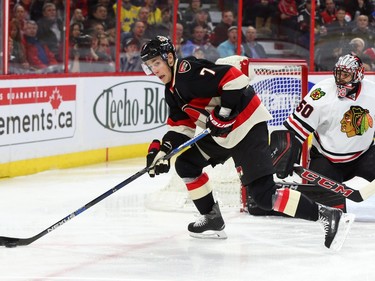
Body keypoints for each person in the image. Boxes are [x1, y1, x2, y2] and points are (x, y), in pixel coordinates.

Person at [139, 35, 354, 250]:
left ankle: (326, 214)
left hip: (246, 126)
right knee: (185, 163)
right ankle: (212, 218)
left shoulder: (187, 71)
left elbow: (235, 79)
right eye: (150, 66)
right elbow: (181, 127)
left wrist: (223, 114)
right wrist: (163, 151)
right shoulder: (172, 90)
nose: (155, 70)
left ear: (169, 57)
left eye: (156, 63)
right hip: (223, 134)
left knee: (263, 196)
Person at [283, 54, 375, 212]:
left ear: (358, 74)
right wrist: (286, 156)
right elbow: (295, 130)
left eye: (345, 75)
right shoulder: (321, 92)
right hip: (326, 158)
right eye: (338, 74)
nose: (340, 79)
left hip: (363, 157)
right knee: (329, 208)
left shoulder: (372, 92)